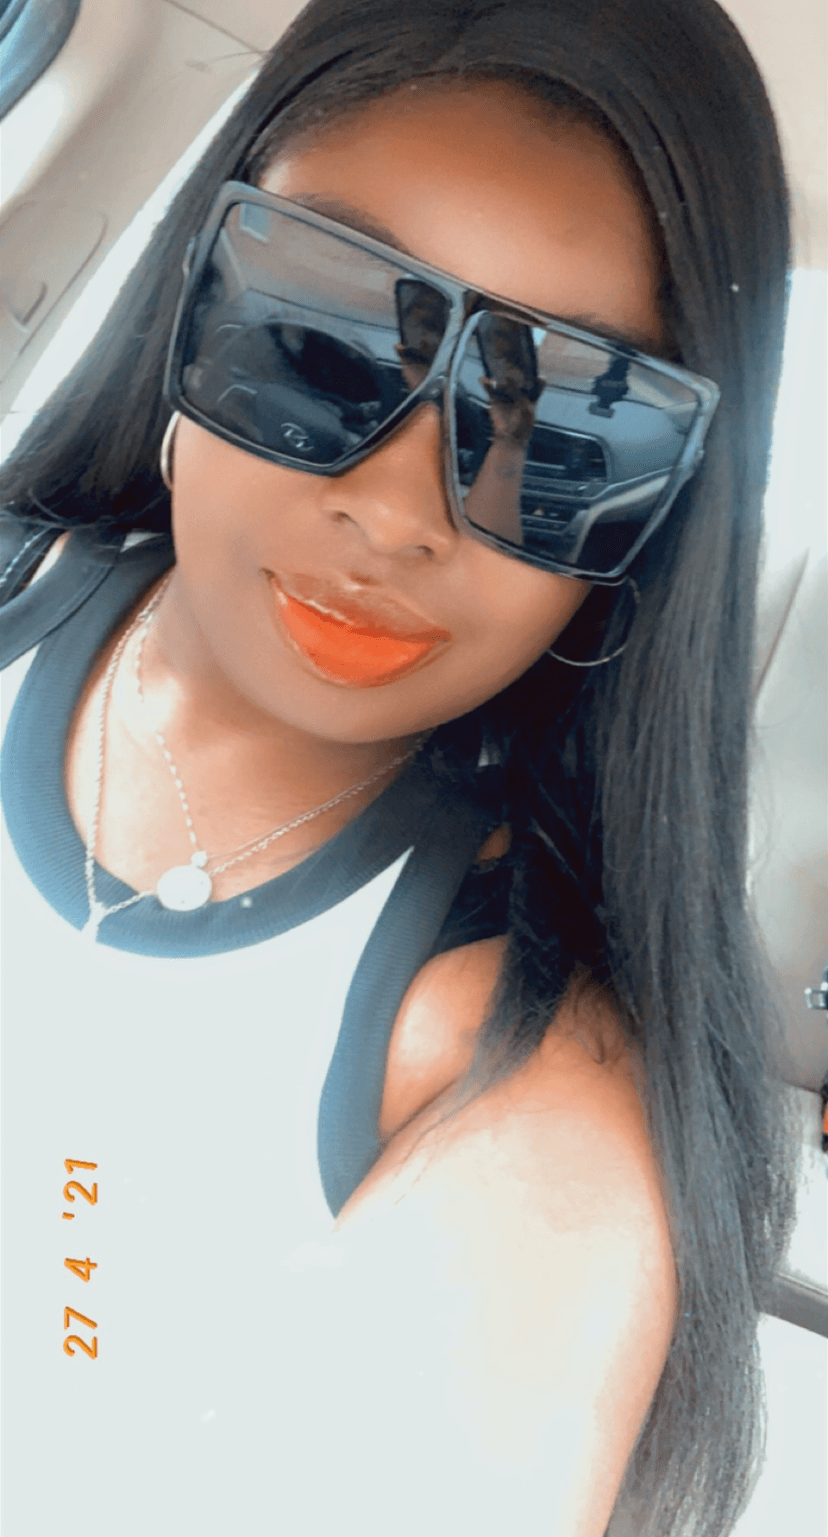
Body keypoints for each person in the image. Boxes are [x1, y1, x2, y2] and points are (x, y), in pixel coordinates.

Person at [0, 1, 801, 1534]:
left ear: (652, 533)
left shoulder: (518, 1091)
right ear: (191, 291)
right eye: (321, 336)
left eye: (564, 434)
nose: (396, 507)